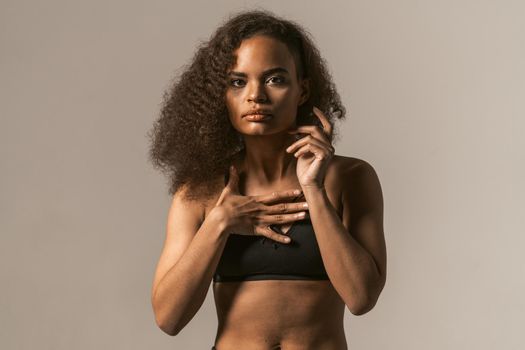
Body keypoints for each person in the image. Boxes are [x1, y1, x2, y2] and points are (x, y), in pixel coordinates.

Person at [148, 9, 386, 350]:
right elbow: (168, 318)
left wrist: (313, 190)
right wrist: (220, 222)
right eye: (237, 81)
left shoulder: (349, 178)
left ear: (302, 91)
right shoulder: (200, 192)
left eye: (275, 79)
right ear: (223, 95)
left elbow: (361, 298)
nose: (255, 95)